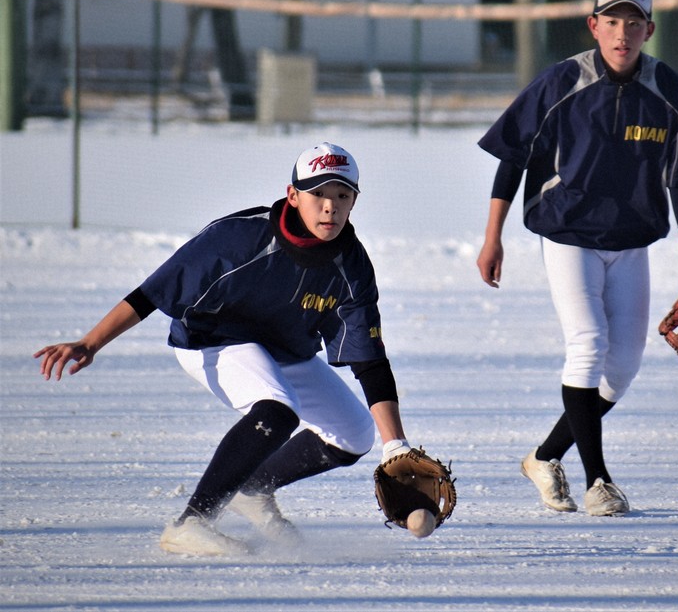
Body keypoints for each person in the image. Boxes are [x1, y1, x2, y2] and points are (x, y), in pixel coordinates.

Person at [35, 142, 414, 555]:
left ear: (354, 201)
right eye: (318, 193)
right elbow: (153, 292)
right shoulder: (239, 238)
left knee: (355, 433)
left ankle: (252, 487)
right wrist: (91, 342)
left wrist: (394, 444)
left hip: (287, 351)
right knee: (276, 409)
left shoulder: (352, 265)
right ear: (293, 195)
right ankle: (192, 523)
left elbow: (369, 358)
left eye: (342, 196)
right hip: (212, 340)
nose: (330, 207)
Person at [476, 0, 678, 516]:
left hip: (631, 242)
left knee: (624, 366)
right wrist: (492, 236)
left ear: (649, 31)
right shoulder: (563, 81)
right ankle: (599, 482)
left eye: (634, 22)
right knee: (588, 344)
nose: (622, 33)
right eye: (612, 21)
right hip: (568, 235)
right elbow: (511, 157)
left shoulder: (667, 90)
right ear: (593, 26)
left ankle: (544, 457)